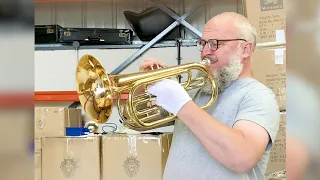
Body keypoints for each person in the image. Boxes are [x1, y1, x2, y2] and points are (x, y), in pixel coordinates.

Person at [139, 12, 280, 180]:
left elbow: (242, 157)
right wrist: (145, 85)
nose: (205, 52)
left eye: (214, 44)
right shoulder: (195, 92)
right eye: (203, 43)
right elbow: (142, 120)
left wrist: (183, 105)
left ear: (245, 49)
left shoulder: (258, 96)